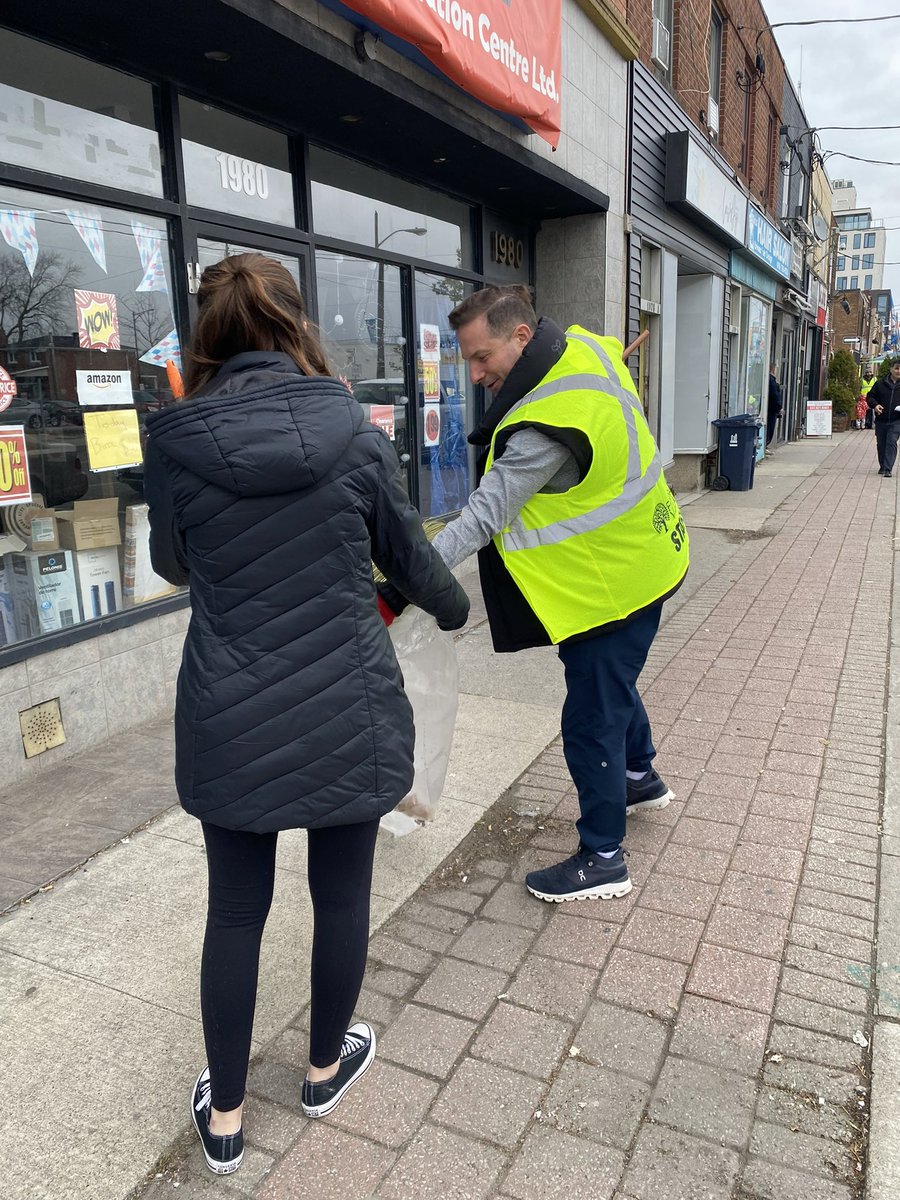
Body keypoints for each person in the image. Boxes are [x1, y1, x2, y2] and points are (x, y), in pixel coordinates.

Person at [144, 253, 469, 1175]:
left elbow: (174, 563)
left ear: (209, 336)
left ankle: (228, 1121)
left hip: (230, 708)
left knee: (236, 911)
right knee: (343, 894)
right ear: (297, 327)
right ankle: (325, 1071)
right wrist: (450, 608)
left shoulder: (175, 440)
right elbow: (408, 558)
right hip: (345, 704)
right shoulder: (356, 432)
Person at [381, 286, 688, 904]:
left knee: (591, 716)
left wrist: (401, 586)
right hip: (647, 560)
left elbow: (481, 518)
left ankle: (603, 858)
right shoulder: (586, 352)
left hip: (610, 589)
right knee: (613, 687)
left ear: (522, 338)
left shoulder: (544, 428)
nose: (475, 373)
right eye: (465, 359)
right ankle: (639, 775)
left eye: (482, 356)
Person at [868, 358, 900, 477]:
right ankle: (882, 466)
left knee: (891, 442)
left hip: (897, 420)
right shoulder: (880, 384)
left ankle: (888, 469)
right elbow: (870, 397)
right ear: (891, 369)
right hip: (881, 420)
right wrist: (875, 405)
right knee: (881, 444)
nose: (898, 371)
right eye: (896, 368)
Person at [766, 366, 783, 447]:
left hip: (770, 408)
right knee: (770, 428)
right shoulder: (772, 382)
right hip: (771, 410)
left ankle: (766, 445)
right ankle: (766, 444)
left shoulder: (770, 381)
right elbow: (775, 396)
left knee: (769, 429)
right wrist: (779, 408)